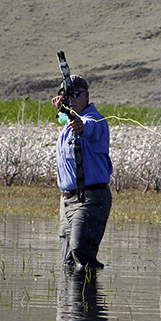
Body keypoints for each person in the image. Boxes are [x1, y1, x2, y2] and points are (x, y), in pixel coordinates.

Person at [51, 75, 112, 273]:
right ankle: (71, 302)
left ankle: (89, 300)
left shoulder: (95, 120)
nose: (72, 99)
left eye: (76, 94)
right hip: (67, 201)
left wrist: (81, 126)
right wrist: (64, 111)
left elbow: (90, 128)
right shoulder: (67, 124)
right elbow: (69, 119)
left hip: (91, 199)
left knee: (81, 252)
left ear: (86, 96)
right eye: (67, 95)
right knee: (67, 261)